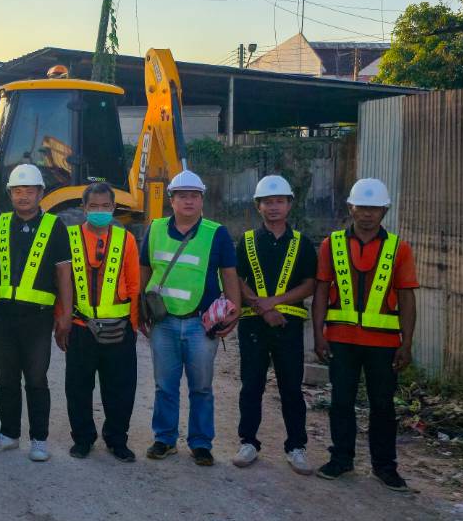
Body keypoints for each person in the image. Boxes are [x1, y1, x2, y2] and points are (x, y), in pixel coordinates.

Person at [312, 178, 418, 491]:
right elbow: (321, 290)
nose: (368, 214)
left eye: (375, 208)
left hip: (384, 344)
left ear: (385, 211)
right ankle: (341, 459)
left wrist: (407, 343)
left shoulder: (399, 248)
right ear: (351, 208)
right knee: (341, 402)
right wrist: (318, 334)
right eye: (362, 207)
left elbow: (407, 297)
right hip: (341, 340)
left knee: (383, 406)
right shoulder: (331, 244)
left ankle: (385, 466)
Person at [138, 169, 240, 467]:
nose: (189, 201)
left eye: (194, 196)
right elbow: (144, 270)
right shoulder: (155, 229)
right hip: (163, 321)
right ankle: (165, 439)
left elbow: (229, 274)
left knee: (201, 387)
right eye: (182, 196)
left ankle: (201, 443)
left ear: (201, 200)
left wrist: (234, 312)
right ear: (171, 200)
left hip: (201, 324)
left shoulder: (216, 233)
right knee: (165, 385)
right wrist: (139, 309)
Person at [0, 164, 73, 462]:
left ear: (41, 193)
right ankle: (10, 434)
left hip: (38, 318)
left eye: (30, 190)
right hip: (2, 316)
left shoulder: (55, 226)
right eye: (18, 191)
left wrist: (65, 315)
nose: (23, 196)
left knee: (36, 378)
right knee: (5, 378)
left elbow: (64, 274)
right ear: (10, 194)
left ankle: (39, 439)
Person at [234, 174, 318, 474]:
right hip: (253, 326)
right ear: (258, 206)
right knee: (251, 386)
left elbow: (310, 284)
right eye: (267, 202)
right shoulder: (246, 241)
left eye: (279, 201)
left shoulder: (302, 243)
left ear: (289, 204)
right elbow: (235, 278)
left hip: (288, 326)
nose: (273, 207)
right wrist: (262, 307)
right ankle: (248, 442)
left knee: (291, 387)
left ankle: (296, 446)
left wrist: (275, 302)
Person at [62, 182, 140, 463]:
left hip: (119, 329)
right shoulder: (69, 237)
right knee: (78, 388)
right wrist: (62, 321)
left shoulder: (126, 239)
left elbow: (134, 285)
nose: (99, 211)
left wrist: (133, 326)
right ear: (84, 208)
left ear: (113, 208)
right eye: (93, 206)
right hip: (81, 328)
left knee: (120, 389)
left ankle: (117, 440)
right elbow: (62, 283)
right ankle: (83, 439)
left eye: (105, 206)